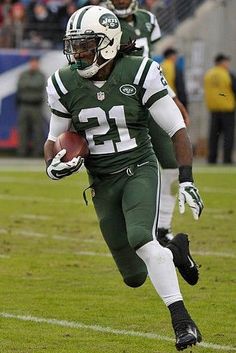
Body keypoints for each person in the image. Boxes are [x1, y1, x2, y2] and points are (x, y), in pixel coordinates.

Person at [44, 6, 204, 350]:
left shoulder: (141, 71)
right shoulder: (62, 82)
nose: (78, 52)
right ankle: (176, 249)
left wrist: (187, 179)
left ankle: (182, 322)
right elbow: (53, 138)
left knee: (142, 238)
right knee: (133, 277)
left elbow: (176, 127)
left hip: (138, 168)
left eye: (86, 44)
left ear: (109, 42)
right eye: (74, 45)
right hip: (100, 181)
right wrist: (52, 164)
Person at [106, 0, 190, 245]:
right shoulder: (100, 18)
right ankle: (128, 226)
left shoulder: (147, 20)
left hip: (147, 96)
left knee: (172, 164)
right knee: (117, 168)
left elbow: (151, 64)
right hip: (118, 99)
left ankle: (163, 226)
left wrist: (172, 95)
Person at [204, 53, 236, 164]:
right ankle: (227, 159)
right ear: (222, 62)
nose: (228, 64)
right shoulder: (227, 74)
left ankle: (211, 158)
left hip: (214, 110)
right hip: (227, 109)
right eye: (227, 62)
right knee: (228, 136)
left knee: (214, 136)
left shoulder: (208, 74)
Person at [16, 56, 46, 157]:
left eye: (35, 63)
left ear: (38, 64)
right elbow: (20, 86)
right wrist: (30, 86)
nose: (33, 65)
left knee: (38, 130)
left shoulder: (41, 75)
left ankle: (38, 152)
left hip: (35, 106)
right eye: (32, 63)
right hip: (24, 105)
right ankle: (22, 152)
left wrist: (28, 85)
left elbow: (38, 85)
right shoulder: (23, 74)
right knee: (23, 129)